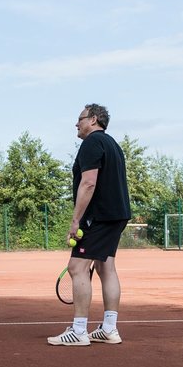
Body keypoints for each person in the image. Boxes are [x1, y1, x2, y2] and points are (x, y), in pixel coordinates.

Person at [48, 104, 131, 346]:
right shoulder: (113, 145)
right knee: (107, 268)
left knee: (76, 267)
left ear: (93, 119)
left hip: (99, 216)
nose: (76, 124)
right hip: (117, 215)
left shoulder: (91, 143)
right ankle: (108, 329)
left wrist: (76, 220)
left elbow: (88, 183)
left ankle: (79, 331)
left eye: (80, 119)